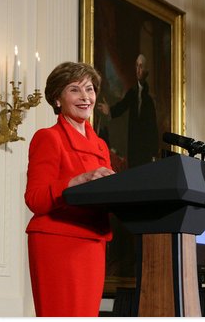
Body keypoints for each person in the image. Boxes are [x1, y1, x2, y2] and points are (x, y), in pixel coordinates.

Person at [24, 61, 115, 317]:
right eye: (75, 89)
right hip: (58, 242)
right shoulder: (48, 137)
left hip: (93, 242)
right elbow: (35, 198)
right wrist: (78, 181)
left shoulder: (100, 146)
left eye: (90, 89)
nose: (85, 97)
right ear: (57, 99)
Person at [97, 54, 159, 168]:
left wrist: (154, 153)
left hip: (146, 146)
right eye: (136, 66)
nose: (138, 70)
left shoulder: (149, 99)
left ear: (147, 70)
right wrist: (109, 110)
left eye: (141, 66)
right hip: (134, 144)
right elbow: (122, 106)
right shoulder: (132, 92)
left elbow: (153, 127)